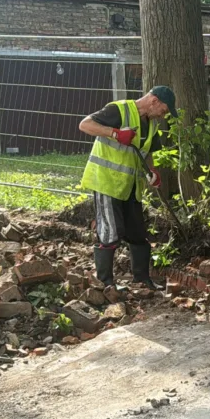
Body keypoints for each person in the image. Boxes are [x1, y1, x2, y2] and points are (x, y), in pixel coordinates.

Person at [78, 86, 176, 290]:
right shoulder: (119, 110)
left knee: (138, 233)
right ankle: (105, 284)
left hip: (130, 186)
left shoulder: (151, 124)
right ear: (154, 101)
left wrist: (153, 172)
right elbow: (85, 124)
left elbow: (148, 152)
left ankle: (142, 280)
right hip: (106, 182)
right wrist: (114, 133)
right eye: (164, 110)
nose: (163, 115)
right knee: (110, 233)